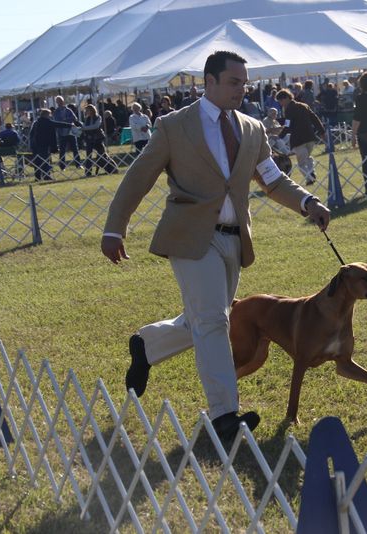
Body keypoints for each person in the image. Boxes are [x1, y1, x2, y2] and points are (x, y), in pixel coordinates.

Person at [100, 50, 331, 441]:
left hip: (233, 241)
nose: (242, 89)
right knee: (214, 321)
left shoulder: (253, 129)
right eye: (233, 82)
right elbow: (138, 177)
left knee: (200, 319)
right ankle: (224, 414)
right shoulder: (175, 126)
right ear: (208, 82)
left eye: (244, 83)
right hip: (190, 238)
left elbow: (272, 180)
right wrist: (114, 229)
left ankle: (147, 344)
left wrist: (307, 203)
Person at [276, 89, 325, 185]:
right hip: (310, 137)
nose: (280, 103)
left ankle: (309, 179)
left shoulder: (289, 109)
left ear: (286, 98)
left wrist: (280, 136)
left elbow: (287, 125)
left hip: (298, 139)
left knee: (301, 163)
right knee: (307, 157)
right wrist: (322, 131)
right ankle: (311, 172)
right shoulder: (304, 105)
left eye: (280, 101)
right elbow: (314, 118)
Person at [29, 109, 75, 181]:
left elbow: (31, 134)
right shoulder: (47, 122)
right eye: (49, 115)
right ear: (46, 115)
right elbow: (58, 124)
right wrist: (70, 125)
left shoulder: (36, 122)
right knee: (45, 160)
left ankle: (37, 177)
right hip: (44, 144)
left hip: (35, 145)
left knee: (37, 161)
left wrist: (31, 144)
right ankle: (46, 176)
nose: (50, 116)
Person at [82, 104, 117, 176]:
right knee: (88, 156)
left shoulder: (98, 117)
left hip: (98, 139)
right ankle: (88, 172)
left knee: (103, 155)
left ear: (91, 110)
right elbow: (85, 127)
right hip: (89, 139)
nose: (86, 112)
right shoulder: (87, 119)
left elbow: (96, 126)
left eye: (87, 110)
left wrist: (85, 128)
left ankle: (112, 168)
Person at [53, 96, 82, 169]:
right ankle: (62, 166)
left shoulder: (68, 110)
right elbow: (57, 121)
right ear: (56, 102)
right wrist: (67, 121)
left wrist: (64, 120)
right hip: (61, 133)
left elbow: (74, 118)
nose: (59, 102)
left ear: (63, 101)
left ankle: (78, 164)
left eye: (60, 101)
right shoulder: (56, 112)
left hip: (71, 132)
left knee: (75, 149)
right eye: (58, 101)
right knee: (62, 150)